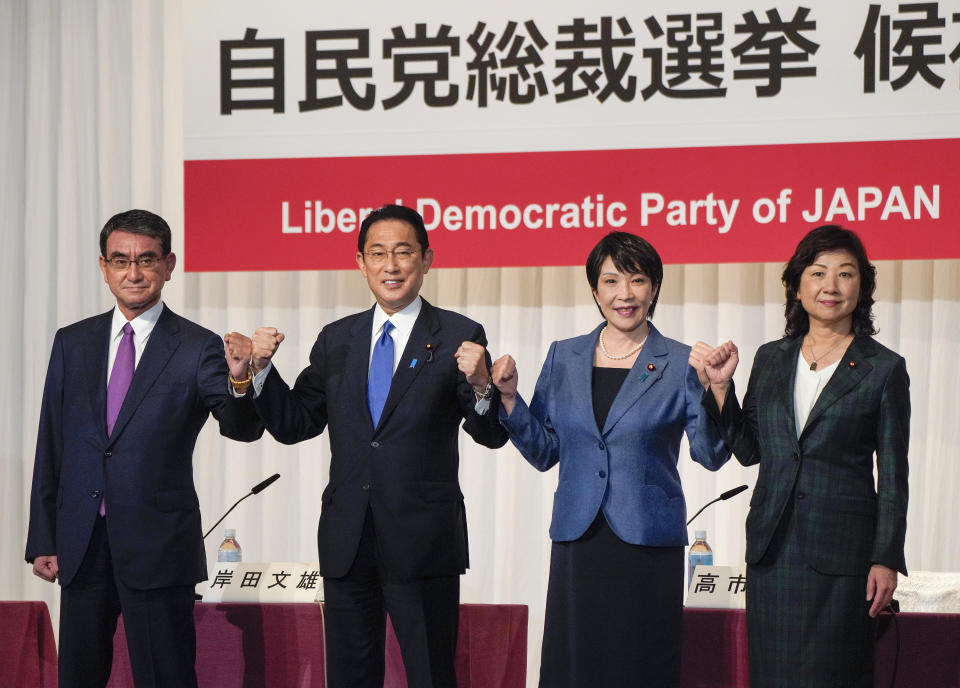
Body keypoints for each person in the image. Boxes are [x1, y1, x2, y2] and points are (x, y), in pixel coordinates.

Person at [222, 204, 508, 688]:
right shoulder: (338, 340)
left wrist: (483, 387)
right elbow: (295, 424)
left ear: (427, 259)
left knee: (431, 674)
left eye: (402, 253)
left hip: (423, 540)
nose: (390, 266)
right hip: (348, 539)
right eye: (377, 253)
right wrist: (259, 371)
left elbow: (491, 433)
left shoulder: (459, 334)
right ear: (360, 262)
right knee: (351, 676)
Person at [24, 209, 264, 688]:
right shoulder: (73, 342)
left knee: (166, 676)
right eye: (120, 260)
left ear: (169, 265)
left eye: (147, 260)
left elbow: (242, 429)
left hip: (159, 547)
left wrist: (241, 378)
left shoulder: (199, 347)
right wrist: (43, 536)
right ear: (103, 266)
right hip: (82, 543)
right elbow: (52, 440)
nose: (133, 272)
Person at [488, 231, 731, 687]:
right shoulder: (565, 355)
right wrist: (507, 398)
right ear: (595, 291)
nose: (625, 294)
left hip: (645, 544)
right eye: (611, 281)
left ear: (654, 288)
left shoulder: (681, 362)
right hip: (579, 541)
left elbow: (711, 454)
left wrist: (717, 388)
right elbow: (544, 451)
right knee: (575, 664)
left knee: (639, 666)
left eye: (637, 280)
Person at [701, 224, 909, 688]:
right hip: (774, 552)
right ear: (797, 285)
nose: (830, 286)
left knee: (835, 675)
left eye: (845, 274)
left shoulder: (884, 368)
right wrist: (720, 388)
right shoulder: (772, 358)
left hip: (844, 557)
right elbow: (750, 448)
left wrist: (886, 558)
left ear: (863, 286)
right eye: (817, 273)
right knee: (772, 675)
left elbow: (894, 475)